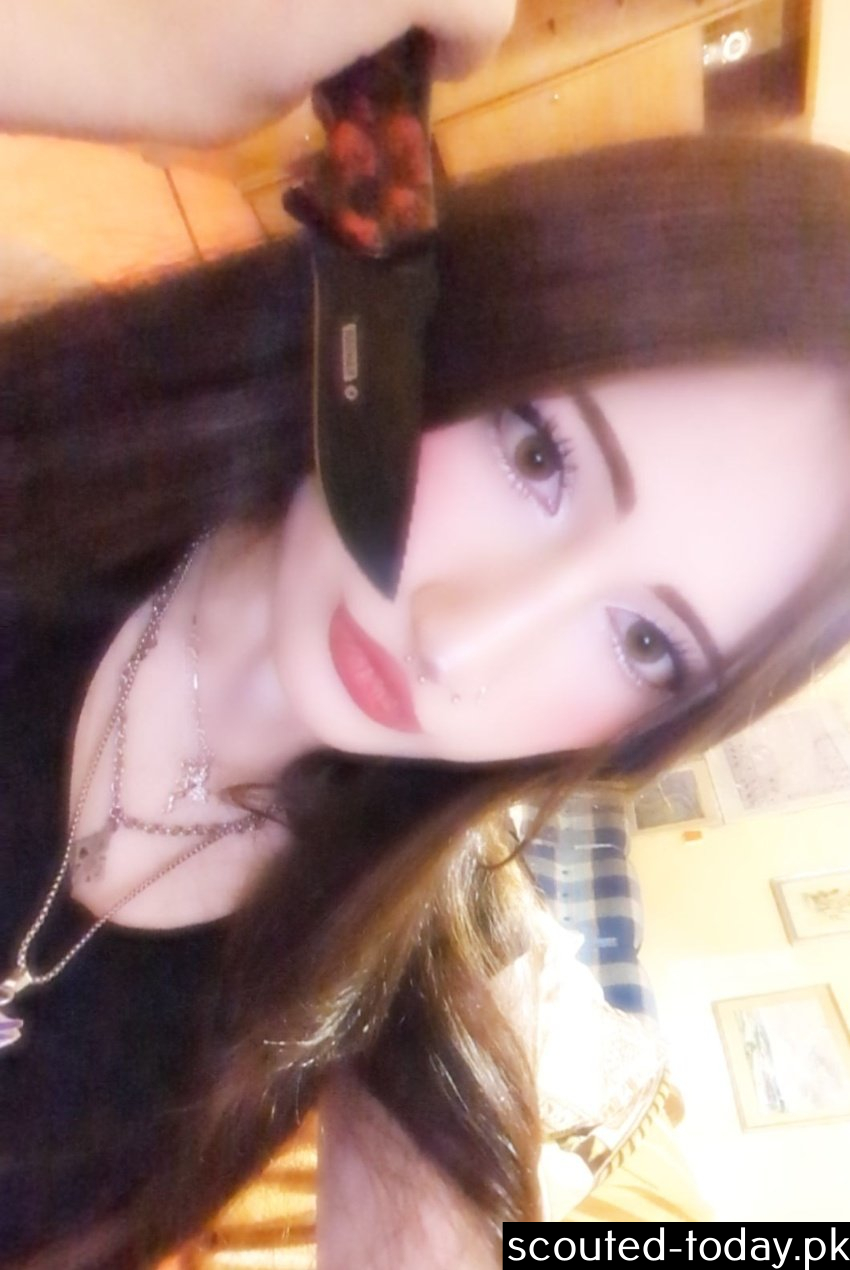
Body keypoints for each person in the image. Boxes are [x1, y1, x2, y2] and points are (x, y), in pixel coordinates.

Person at [5, 6, 850, 1268]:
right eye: (537, 455)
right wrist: (112, 44)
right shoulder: (46, 428)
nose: (465, 643)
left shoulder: (351, 988)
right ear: (450, 313)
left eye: (642, 643)